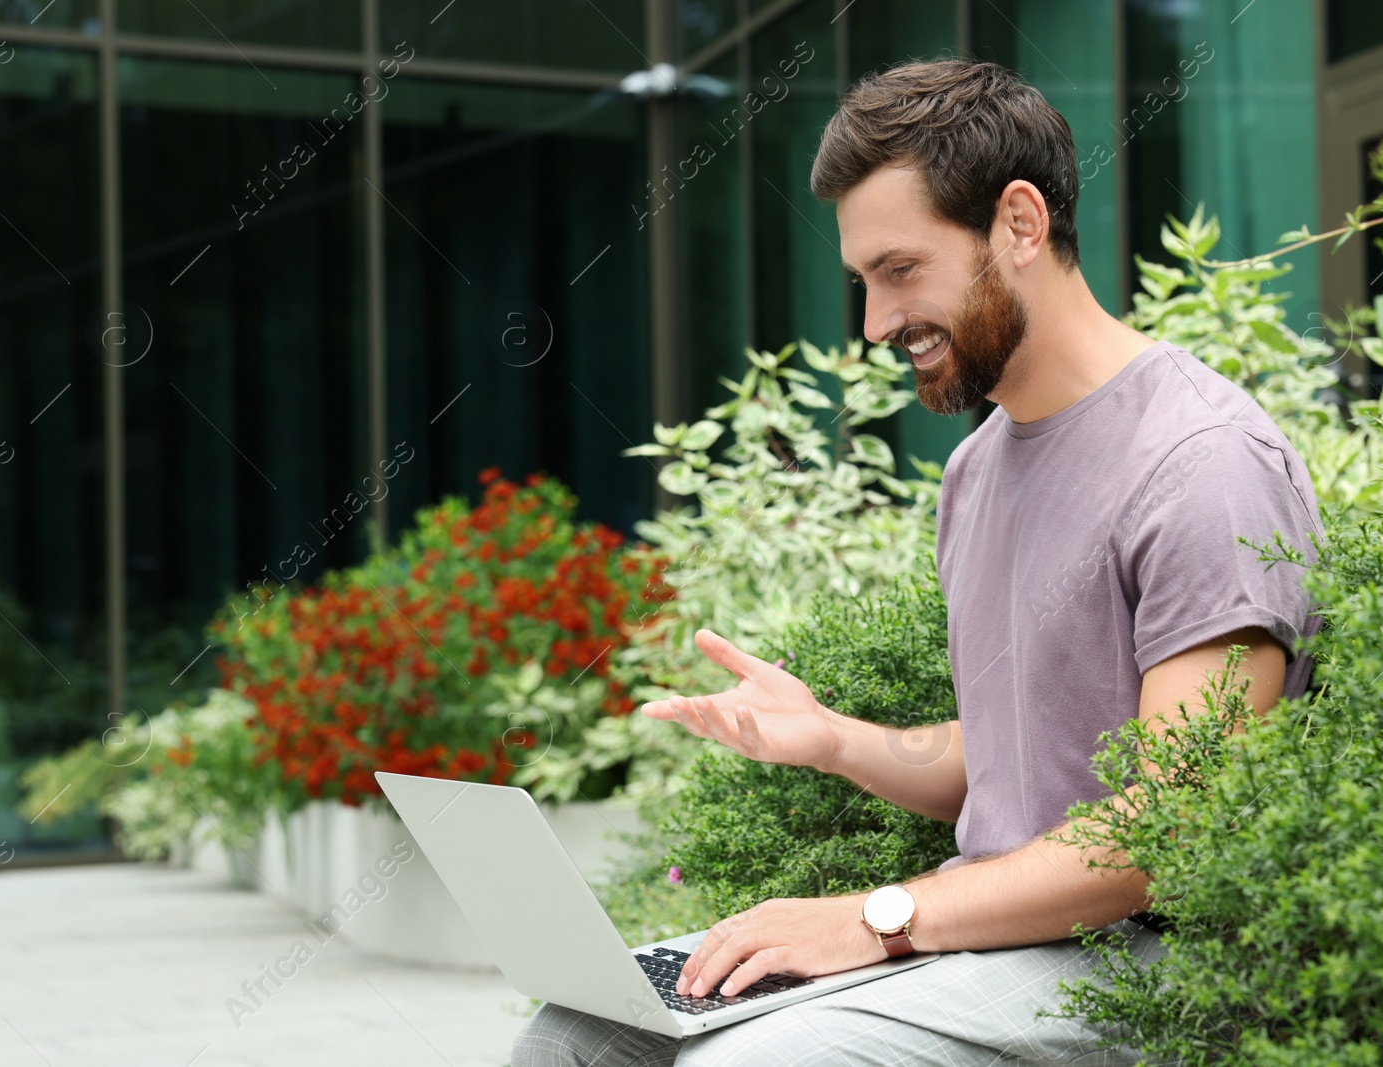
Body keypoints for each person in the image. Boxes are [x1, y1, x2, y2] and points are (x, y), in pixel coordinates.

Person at [513, 58, 1321, 1066]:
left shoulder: (1200, 464)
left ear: (1019, 224)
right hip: (994, 948)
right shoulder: (976, 473)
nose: (875, 324)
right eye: (863, 283)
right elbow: (1020, 760)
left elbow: (1167, 827)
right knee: (577, 1035)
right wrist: (833, 737)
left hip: (1156, 963)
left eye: (900, 271)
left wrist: (874, 916)